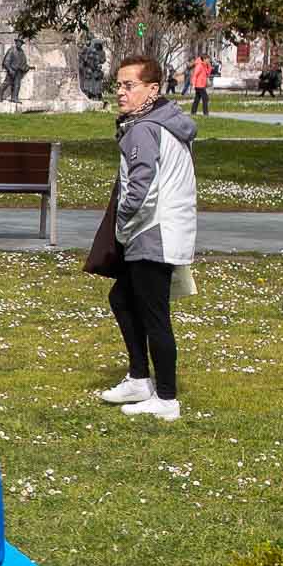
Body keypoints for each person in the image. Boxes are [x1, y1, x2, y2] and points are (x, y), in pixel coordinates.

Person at [94, 56, 197, 422]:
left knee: (155, 316)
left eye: (129, 86)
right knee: (122, 297)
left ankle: (166, 399)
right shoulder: (164, 123)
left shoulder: (144, 129)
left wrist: (122, 222)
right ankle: (139, 378)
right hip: (163, 228)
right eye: (118, 85)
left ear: (152, 89)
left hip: (153, 231)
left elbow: (141, 186)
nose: (120, 93)